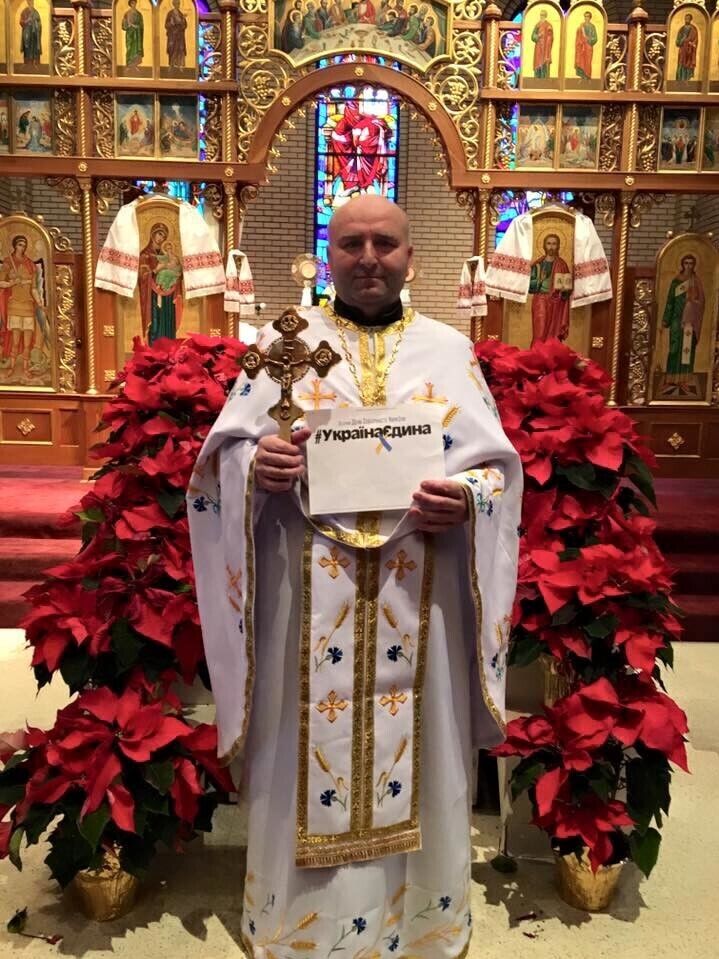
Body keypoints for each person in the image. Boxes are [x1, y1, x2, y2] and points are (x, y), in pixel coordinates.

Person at [187, 195, 522, 959]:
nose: (368, 257)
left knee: (422, 746)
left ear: (411, 258)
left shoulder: (448, 352)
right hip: (304, 598)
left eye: (384, 243)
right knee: (300, 751)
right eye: (350, 243)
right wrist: (256, 467)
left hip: (422, 596)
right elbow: (218, 462)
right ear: (327, 254)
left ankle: (420, 926)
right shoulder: (281, 344)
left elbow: (498, 472)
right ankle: (301, 928)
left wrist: (467, 498)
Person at [0, 235, 49, 375]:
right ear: (15, 245)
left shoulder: (30, 265)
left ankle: (26, 368)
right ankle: (12, 367)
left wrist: (39, 303)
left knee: (27, 341)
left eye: (24, 245)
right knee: (15, 340)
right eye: (20, 245)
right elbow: (1, 283)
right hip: (14, 304)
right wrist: (12, 283)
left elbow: (34, 289)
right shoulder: (8, 262)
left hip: (28, 305)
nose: (22, 247)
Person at [662, 253, 704, 374]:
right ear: (682, 265)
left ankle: (685, 378)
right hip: (676, 319)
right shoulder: (676, 282)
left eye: (691, 263)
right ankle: (671, 376)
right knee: (674, 348)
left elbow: (701, 302)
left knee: (688, 349)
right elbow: (670, 301)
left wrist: (692, 302)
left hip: (690, 321)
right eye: (686, 263)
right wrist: (666, 319)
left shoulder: (697, 282)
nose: (688, 266)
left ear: (694, 265)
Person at [528, 232, 571, 343]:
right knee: (540, 331)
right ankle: (537, 352)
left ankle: (551, 353)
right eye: (549, 243)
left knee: (553, 333)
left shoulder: (562, 264)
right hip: (540, 300)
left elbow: (567, 290)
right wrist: (540, 280)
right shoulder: (538, 264)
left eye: (554, 244)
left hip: (556, 302)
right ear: (544, 245)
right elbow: (530, 288)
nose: (551, 247)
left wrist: (565, 291)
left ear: (558, 246)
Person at [165, 0, 188, 69]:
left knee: (180, 49)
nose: (178, 5)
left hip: (180, 36)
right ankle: (171, 65)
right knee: (172, 49)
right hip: (172, 36)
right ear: (173, 4)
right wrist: (171, 23)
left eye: (179, 4)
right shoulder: (170, 14)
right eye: (176, 4)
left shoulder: (181, 14)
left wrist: (183, 20)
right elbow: (166, 25)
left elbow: (185, 25)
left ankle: (180, 66)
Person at [575, 11, 597, 80]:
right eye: (585, 16)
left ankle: (587, 76)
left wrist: (588, 39)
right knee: (581, 61)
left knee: (588, 62)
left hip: (588, 47)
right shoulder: (581, 26)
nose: (586, 18)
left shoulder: (592, 27)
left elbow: (595, 38)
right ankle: (582, 76)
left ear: (590, 18)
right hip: (581, 47)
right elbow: (578, 36)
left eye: (587, 16)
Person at [122, 0, 144, 68]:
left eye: (135, 3)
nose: (134, 4)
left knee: (136, 49)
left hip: (137, 34)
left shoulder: (139, 14)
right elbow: (124, 25)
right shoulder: (127, 13)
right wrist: (128, 25)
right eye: (132, 3)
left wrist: (137, 26)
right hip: (130, 34)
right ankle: (129, 64)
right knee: (129, 47)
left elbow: (141, 25)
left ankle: (135, 65)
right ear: (130, 4)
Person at [676, 13, 698, 81]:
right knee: (681, 64)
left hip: (689, 51)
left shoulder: (693, 29)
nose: (686, 19)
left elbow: (695, 40)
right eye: (685, 18)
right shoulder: (681, 29)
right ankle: (680, 80)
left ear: (691, 19)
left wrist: (691, 44)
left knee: (688, 65)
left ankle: (687, 80)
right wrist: (682, 40)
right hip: (682, 50)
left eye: (688, 18)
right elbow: (677, 42)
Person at [532, 10, 553, 79]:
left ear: (545, 16)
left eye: (543, 15)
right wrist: (538, 36)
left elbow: (551, 37)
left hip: (546, 48)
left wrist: (549, 37)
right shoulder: (537, 25)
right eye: (541, 15)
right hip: (538, 47)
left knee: (545, 62)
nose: (542, 16)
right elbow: (532, 36)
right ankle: (537, 79)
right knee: (538, 62)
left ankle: (545, 79)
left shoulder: (549, 25)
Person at [19, 0, 42, 65]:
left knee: (35, 47)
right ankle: (27, 63)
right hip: (27, 32)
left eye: (32, 1)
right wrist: (27, 21)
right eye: (30, 1)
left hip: (35, 34)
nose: (31, 3)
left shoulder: (36, 12)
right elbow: (21, 22)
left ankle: (35, 62)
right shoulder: (24, 11)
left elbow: (39, 23)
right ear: (27, 2)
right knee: (27, 47)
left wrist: (36, 24)